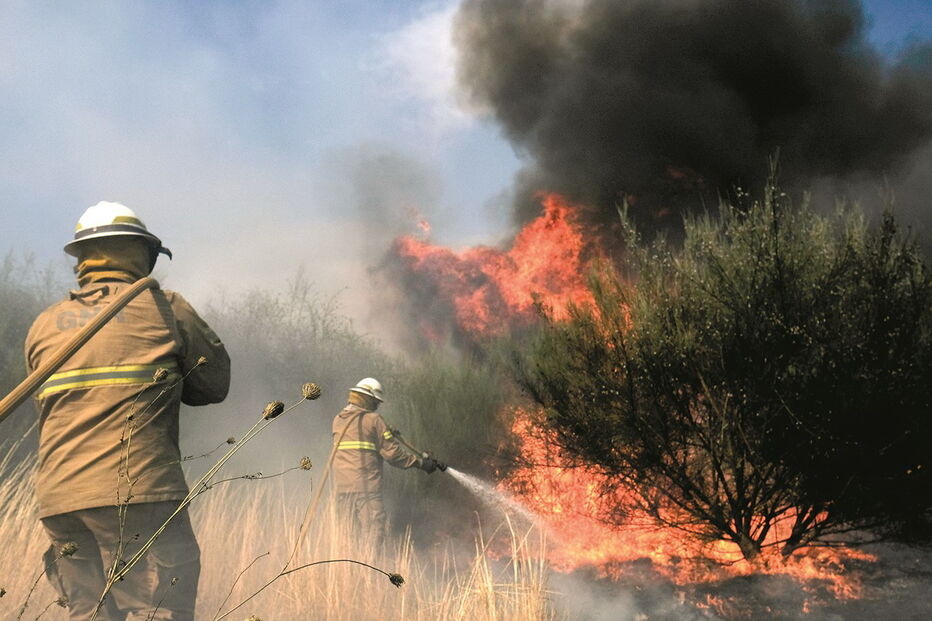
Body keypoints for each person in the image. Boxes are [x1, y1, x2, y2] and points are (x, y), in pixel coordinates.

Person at [25, 201, 230, 620]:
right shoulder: (166, 309)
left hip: (60, 500)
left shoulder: (45, 324)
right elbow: (213, 386)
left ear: (83, 258)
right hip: (138, 492)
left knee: (91, 614)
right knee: (160, 612)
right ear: (142, 253)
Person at [331, 377, 441, 549]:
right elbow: (393, 454)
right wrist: (421, 463)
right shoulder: (374, 420)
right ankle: (369, 570)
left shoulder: (339, 419)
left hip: (342, 487)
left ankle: (346, 571)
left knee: (347, 534)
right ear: (369, 399)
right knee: (374, 531)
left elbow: (362, 437)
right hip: (365, 487)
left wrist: (385, 431)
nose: (377, 406)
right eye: (376, 402)